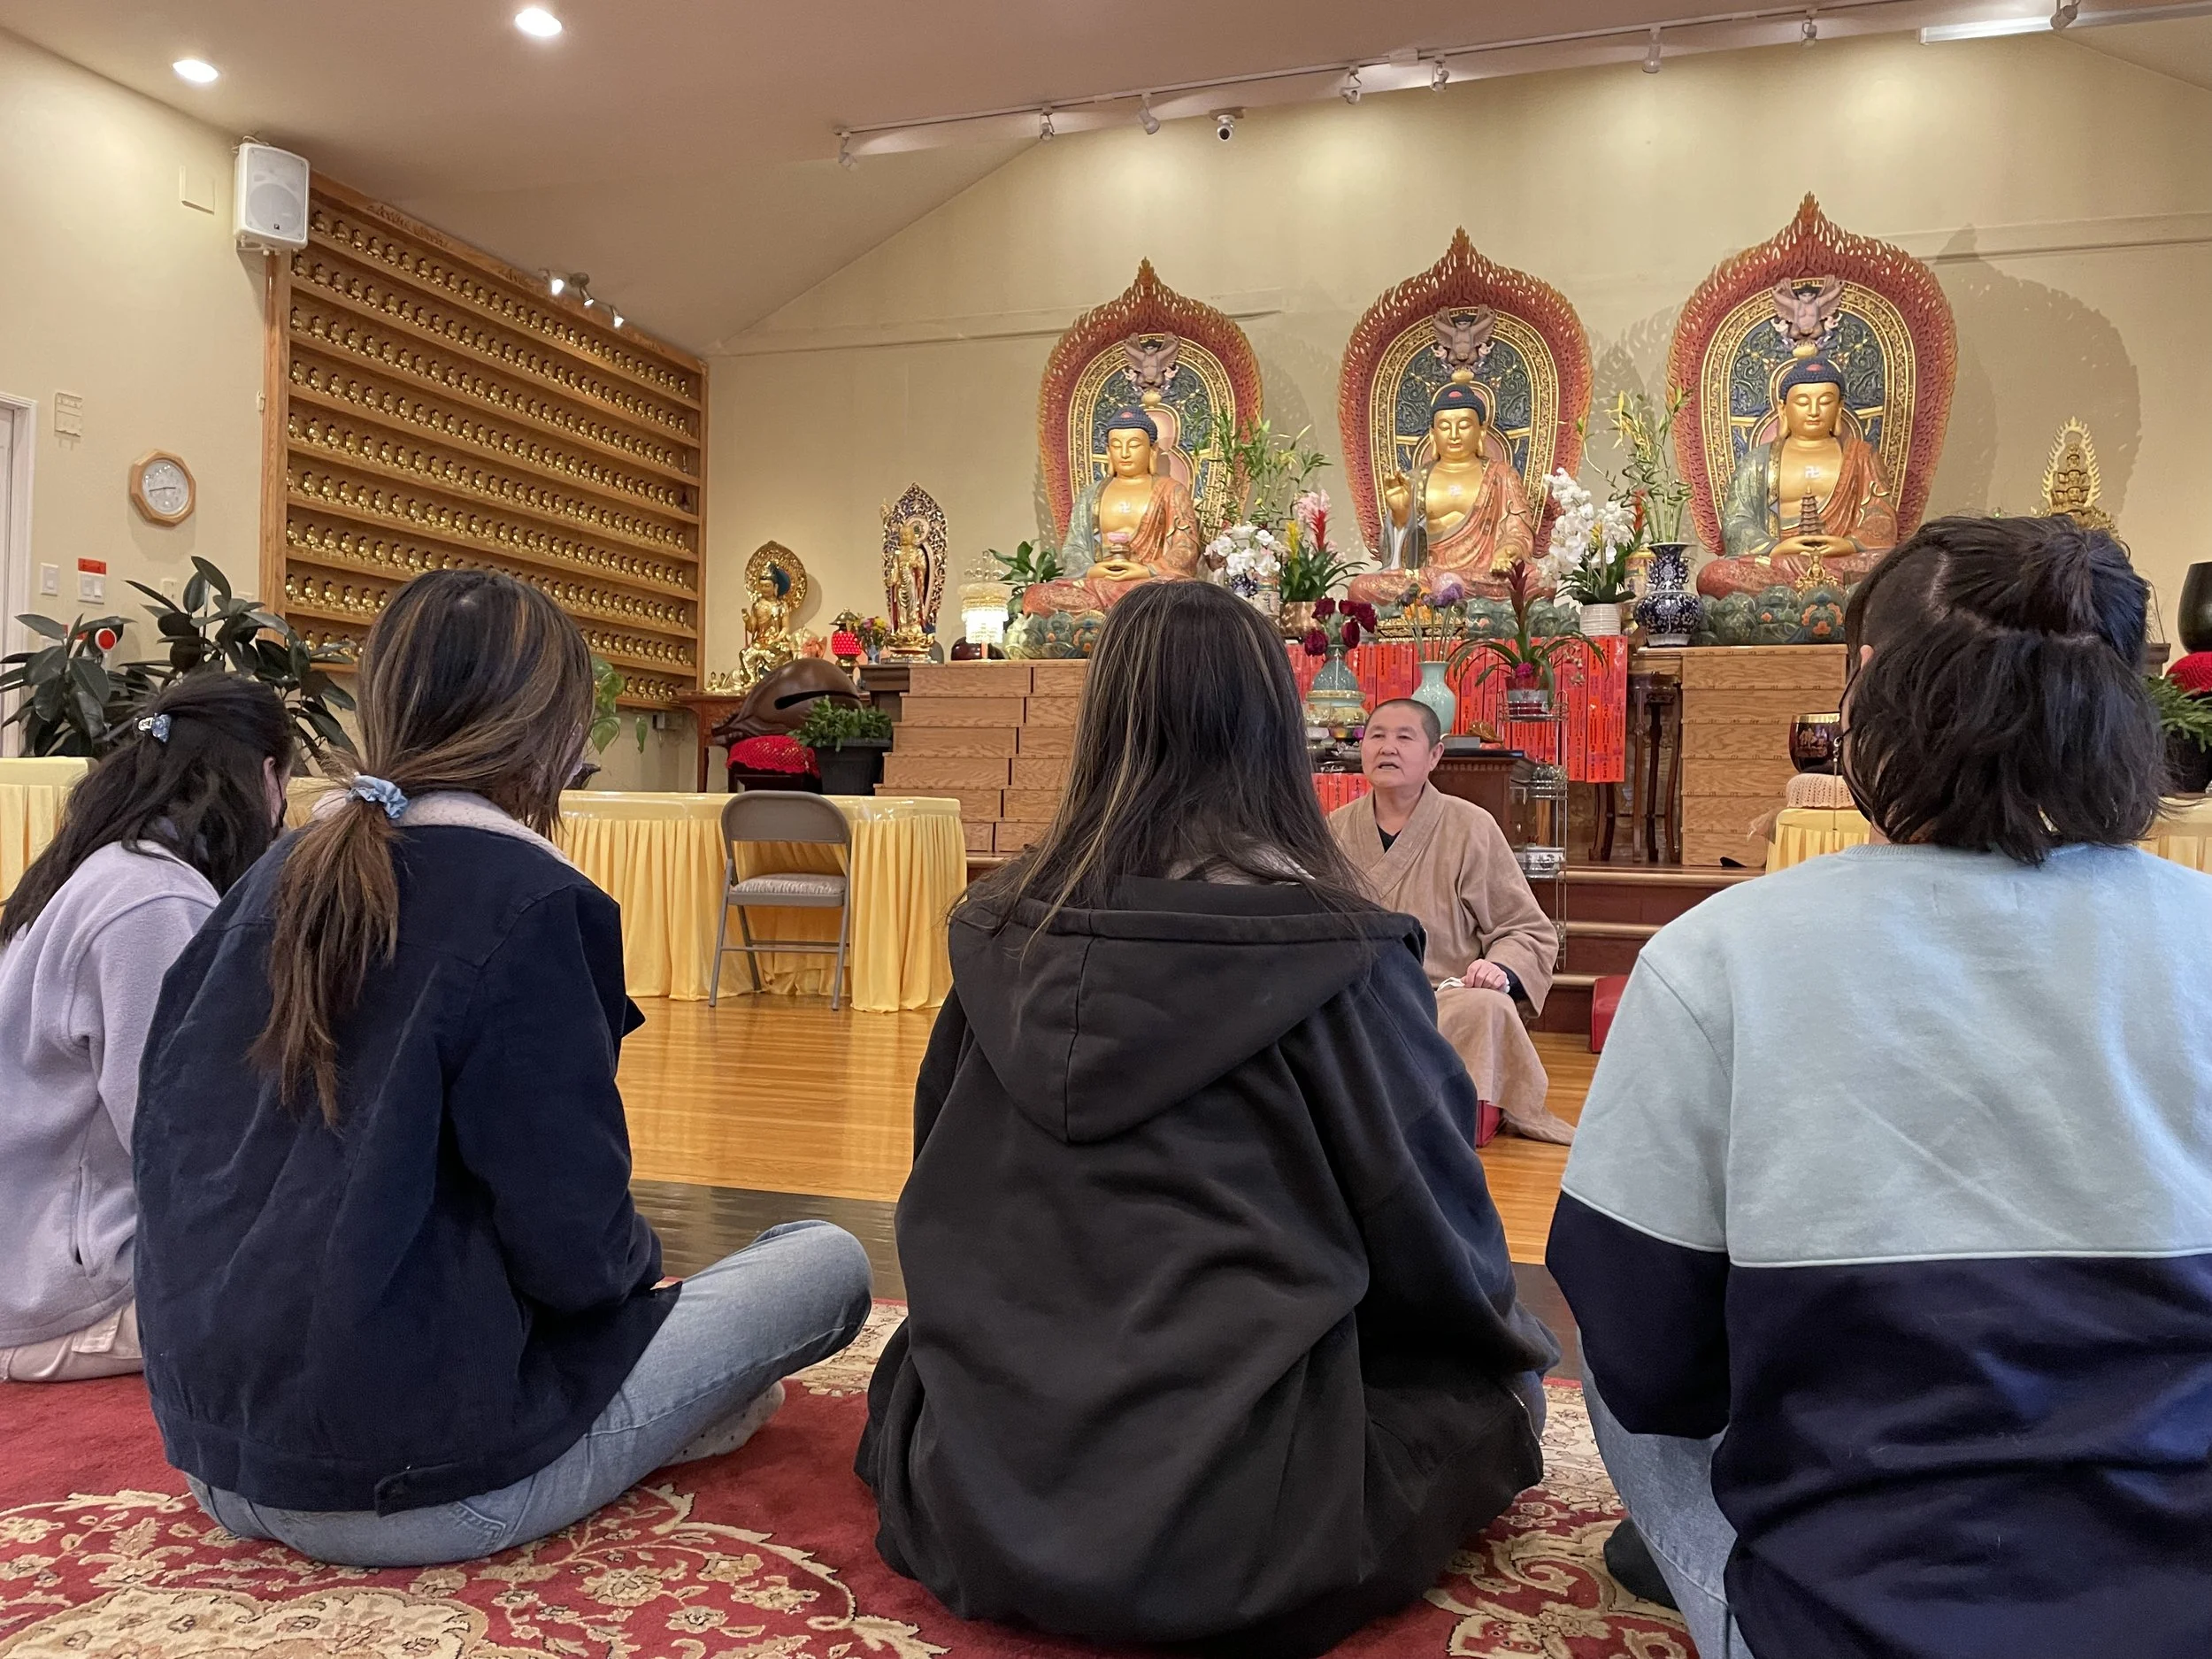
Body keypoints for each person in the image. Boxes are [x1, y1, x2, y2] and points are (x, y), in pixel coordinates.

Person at [1548, 516, 2212, 1659]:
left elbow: (1647, 1359)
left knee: (1607, 1335)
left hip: (1848, 1614)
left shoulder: (1722, 958)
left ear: (1862, 693)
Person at [858, 580, 1556, 1658]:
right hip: (1251, 1525)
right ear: (1273, 735)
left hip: (972, 1492)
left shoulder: (997, 937)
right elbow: (1434, 1240)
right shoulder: (1338, 958)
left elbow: (938, 1202)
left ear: (1100, 731)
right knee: (1501, 1394)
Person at [134, 569, 871, 1566]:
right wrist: (645, 1309)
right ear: (556, 731)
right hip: (424, 1481)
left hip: (213, 1456)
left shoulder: (266, 877)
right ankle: (660, 1418)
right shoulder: (532, 900)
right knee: (824, 1266)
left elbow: (168, 1143)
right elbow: (573, 1247)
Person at [0, 673, 291, 1382]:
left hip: (33, 1259)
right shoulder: (153, 899)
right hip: (60, 1294)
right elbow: (187, 1142)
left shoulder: (97, 866)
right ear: (265, 776)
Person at [1326, 699, 1571, 1143]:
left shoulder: (1471, 827)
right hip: (1355, 998)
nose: (1388, 748)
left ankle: (1450, 1117)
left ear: (1435, 755)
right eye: (1377, 735)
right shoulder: (1332, 830)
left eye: (1405, 737)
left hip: (1440, 1001)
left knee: (1486, 1007)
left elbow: (1525, 928)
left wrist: (1499, 969)